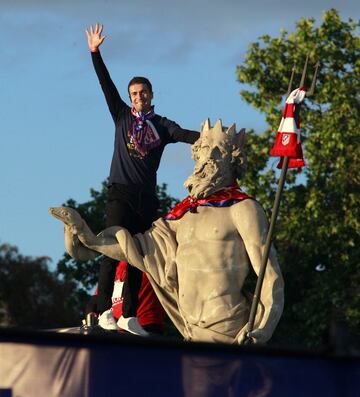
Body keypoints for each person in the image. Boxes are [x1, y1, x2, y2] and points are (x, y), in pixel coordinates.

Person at [50, 119, 284, 344]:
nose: (207, 159)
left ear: (234, 161)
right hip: (189, 333)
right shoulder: (182, 215)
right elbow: (135, 250)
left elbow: (270, 276)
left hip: (229, 331)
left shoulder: (242, 209)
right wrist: (86, 236)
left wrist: (262, 328)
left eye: (217, 152)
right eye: (202, 151)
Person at [85, 23, 199, 334]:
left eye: (143, 92)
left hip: (146, 199)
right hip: (120, 193)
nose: (138, 97)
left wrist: (210, 139)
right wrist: (95, 52)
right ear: (130, 97)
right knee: (111, 251)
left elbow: (185, 134)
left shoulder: (162, 125)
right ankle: (105, 309)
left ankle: (129, 314)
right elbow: (105, 84)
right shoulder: (121, 116)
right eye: (134, 93)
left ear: (150, 94)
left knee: (140, 256)